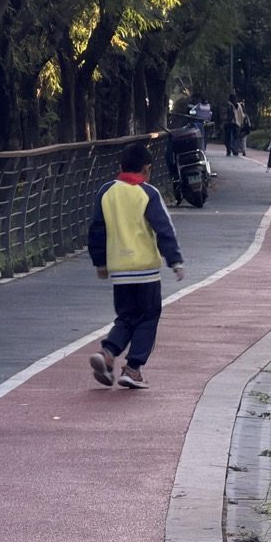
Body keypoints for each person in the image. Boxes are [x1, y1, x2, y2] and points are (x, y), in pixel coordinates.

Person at [87, 139, 185, 389]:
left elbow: (96, 230)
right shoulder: (149, 193)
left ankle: (108, 353)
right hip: (145, 270)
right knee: (149, 316)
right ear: (147, 169)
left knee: (126, 316)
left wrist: (100, 262)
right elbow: (164, 229)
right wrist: (174, 260)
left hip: (119, 270)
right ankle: (133, 368)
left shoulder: (106, 192)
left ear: (120, 166)